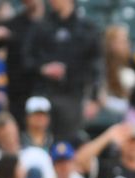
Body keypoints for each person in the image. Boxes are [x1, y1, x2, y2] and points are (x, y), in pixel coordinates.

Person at [25, 0, 102, 140]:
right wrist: (43, 69)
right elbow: (27, 59)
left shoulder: (87, 28)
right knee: (39, 140)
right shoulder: (41, 26)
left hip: (72, 96)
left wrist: (94, 98)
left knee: (68, 141)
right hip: (44, 93)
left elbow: (96, 65)